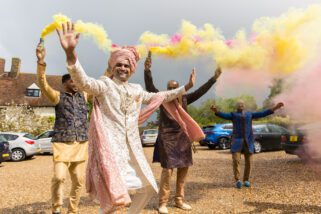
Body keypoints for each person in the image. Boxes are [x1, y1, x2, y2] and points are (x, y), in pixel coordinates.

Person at [56, 22, 203, 213]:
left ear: (131, 68)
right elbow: (84, 82)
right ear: (113, 67)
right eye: (119, 64)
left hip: (132, 151)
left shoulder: (136, 90)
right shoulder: (105, 85)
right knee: (112, 200)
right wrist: (70, 55)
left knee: (149, 189)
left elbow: (160, 97)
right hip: (110, 152)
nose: (123, 68)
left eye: (126, 65)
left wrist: (186, 88)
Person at [144, 52, 222, 213]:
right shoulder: (162, 98)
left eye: (175, 88)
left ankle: (179, 200)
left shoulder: (185, 99)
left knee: (184, 168)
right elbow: (150, 87)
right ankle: (163, 203)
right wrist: (147, 71)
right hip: (167, 138)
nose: (172, 90)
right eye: (170, 88)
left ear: (179, 89)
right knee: (168, 170)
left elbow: (201, 91)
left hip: (183, 138)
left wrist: (214, 78)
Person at [36, 42, 90, 214]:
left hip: (81, 144)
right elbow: (43, 85)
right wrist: (41, 62)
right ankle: (57, 208)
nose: (76, 83)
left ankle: (72, 210)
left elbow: (102, 82)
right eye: (72, 80)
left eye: (77, 80)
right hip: (62, 144)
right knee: (59, 177)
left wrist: (111, 66)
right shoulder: (57, 96)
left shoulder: (85, 95)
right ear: (65, 83)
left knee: (79, 181)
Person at [210, 100, 284, 189]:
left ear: (244, 106)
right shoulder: (233, 115)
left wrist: (275, 107)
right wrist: (216, 111)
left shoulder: (250, 114)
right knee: (236, 160)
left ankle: (246, 180)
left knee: (249, 162)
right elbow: (223, 115)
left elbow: (263, 113)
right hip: (237, 141)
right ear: (236, 106)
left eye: (242, 104)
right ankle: (237, 180)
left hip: (248, 142)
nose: (240, 105)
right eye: (239, 104)